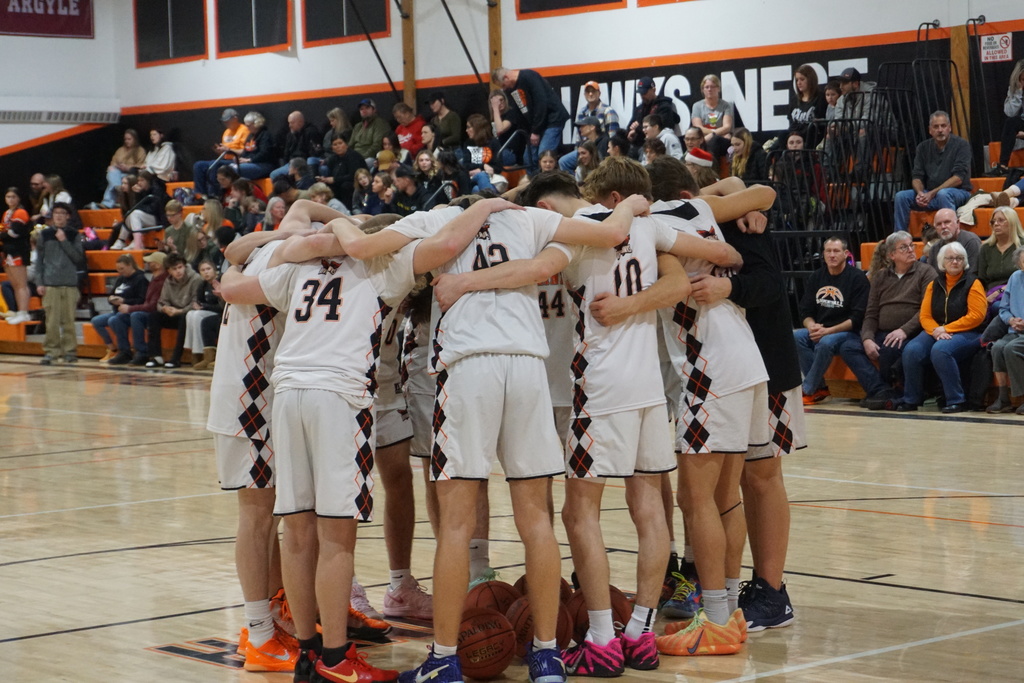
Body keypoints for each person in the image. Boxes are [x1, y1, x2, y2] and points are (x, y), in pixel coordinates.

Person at [219, 197, 525, 683]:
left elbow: (231, 288)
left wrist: (284, 242)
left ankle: (307, 655)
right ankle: (338, 660)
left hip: (288, 393)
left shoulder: (301, 265)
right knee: (335, 536)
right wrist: (485, 203)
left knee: (297, 533)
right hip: (339, 399)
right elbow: (447, 241)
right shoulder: (386, 265)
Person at [841, 232, 937, 408]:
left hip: (911, 332)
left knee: (890, 348)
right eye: (904, 247)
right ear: (892, 255)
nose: (910, 250)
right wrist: (867, 338)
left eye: (911, 246)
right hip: (881, 332)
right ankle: (881, 390)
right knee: (848, 347)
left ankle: (888, 392)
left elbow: (926, 310)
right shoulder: (880, 276)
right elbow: (870, 313)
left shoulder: (926, 272)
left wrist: (903, 331)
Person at [893, 242, 986, 413]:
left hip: (969, 332)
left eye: (959, 258)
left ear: (964, 261)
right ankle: (911, 399)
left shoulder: (974, 283)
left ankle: (957, 400)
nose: (955, 262)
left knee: (941, 350)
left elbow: (976, 317)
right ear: (942, 262)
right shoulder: (934, 284)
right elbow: (925, 316)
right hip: (937, 330)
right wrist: (936, 331)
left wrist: (947, 329)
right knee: (912, 349)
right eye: (950, 258)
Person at [793, 236, 870, 404]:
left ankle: (807, 388)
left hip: (849, 332)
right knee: (797, 337)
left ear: (846, 254)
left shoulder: (857, 278)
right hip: (822, 329)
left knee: (826, 342)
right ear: (823, 254)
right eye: (828, 251)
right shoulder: (817, 276)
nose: (832, 255)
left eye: (836, 251)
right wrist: (812, 326)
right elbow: (805, 310)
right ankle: (819, 387)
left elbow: (857, 318)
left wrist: (827, 331)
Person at [893, 111, 972, 232]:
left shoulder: (962, 145)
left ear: (949, 128)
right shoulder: (922, 147)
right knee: (901, 196)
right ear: (930, 130)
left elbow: (958, 178)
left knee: (944, 194)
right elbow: (916, 176)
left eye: (943, 126)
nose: (940, 130)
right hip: (931, 194)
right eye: (936, 127)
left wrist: (932, 193)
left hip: (958, 192)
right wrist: (920, 193)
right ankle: (900, 237)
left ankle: (951, 235)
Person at [493, 66, 570, 174]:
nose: (504, 88)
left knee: (544, 156)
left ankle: (548, 184)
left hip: (552, 119)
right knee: (528, 158)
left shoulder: (529, 76)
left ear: (506, 77)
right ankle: (535, 184)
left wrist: (535, 131)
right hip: (536, 125)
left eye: (503, 85)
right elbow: (522, 112)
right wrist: (530, 133)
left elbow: (541, 103)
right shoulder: (512, 89)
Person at [36, 203, 85, 365]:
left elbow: (78, 258)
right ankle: (51, 352)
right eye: (56, 213)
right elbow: (39, 262)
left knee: (69, 321)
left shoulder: (73, 234)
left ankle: (70, 352)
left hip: (69, 283)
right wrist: (39, 282)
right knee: (51, 321)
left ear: (68, 216)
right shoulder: (44, 234)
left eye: (62, 213)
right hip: (50, 283)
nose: (58, 216)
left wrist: (64, 241)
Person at [109, 251, 169, 366]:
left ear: (158, 264)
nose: (147, 264)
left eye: (150, 262)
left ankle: (142, 352)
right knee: (117, 318)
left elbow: (152, 306)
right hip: (146, 310)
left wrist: (130, 308)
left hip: (155, 314)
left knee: (136, 315)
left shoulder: (162, 281)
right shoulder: (154, 278)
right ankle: (125, 352)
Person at [145, 253, 202, 368]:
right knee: (154, 316)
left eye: (180, 267)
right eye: (174, 269)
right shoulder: (168, 281)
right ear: (169, 271)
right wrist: (165, 308)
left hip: (186, 314)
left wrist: (180, 311)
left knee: (184, 318)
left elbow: (196, 303)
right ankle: (156, 357)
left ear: (185, 266)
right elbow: (161, 301)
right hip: (173, 313)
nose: (178, 271)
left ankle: (176, 358)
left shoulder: (196, 279)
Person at [90, 254, 149, 362]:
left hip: (131, 312)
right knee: (96, 320)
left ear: (130, 265)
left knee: (115, 320)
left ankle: (126, 351)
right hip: (117, 311)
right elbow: (112, 295)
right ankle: (113, 348)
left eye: (122, 269)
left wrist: (125, 301)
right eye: (118, 269)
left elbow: (143, 300)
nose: (120, 271)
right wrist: (111, 299)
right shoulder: (120, 279)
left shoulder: (141, 279)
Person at [986, 247, 1024, 413]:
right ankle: (1003, 398)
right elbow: (1003, 308)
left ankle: (1021, 397)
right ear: (1019, 264)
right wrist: (1010, 320)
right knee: (997, 347)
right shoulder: (1015, 278)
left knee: (1011, 348)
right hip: (1014, 329)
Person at [560, 81, 619, 172]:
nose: (590, 94)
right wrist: (579, 155)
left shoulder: (608, 111)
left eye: (593, 91)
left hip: (601, 148)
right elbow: (578, 138)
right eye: (588, 92)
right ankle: (575, 184)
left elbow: (613, 137)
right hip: (585, 148)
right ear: (584, 94)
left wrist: (609, 151)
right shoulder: (582, 112)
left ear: (599, 93)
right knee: (563, 162)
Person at [193, 108, 250, 199]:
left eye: (228, 121)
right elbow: (225, 150)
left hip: (237, 159)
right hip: (224, 158)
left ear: (235, 118)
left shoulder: (244, 130)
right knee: (199, 165)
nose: (226, 123)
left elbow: (245, 151)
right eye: (224, 121)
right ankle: (201, 194)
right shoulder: (226, 132)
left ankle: (215, 193)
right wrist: (220, 151)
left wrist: (228, 149)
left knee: (215, 164)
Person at [978, 207, 1024, 300]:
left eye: (1001, 220)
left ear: (1012, 223)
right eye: (993, 221)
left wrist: (1000, 292)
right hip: (991, 295)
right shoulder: (986, 248)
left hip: (1018, 292)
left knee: (998, 306)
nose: (996, 224)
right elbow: (981, 279)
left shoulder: (1022, 245)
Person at [183, 259, 222, 369]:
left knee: (196, 315)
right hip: (208, 312)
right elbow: (199, 301)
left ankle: (200, 352)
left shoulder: (220, 281)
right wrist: (198, 306)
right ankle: (196, 353)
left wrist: (204, 307)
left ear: (214, 270)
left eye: (208, 269)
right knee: (190, 314)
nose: (206, 272)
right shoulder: (203, 285)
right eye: (203, 270)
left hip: (219, 312)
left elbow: (222, 306)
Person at [1, 187, 32, 323]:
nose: (11, 199)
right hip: (7, 251)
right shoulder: (6, 213)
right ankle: (19, 311)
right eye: (8, 197)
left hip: (18, 251)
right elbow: (5, 232)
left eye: (13, 197)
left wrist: (3, 235)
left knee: (21, 284)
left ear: (19, 198)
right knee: (14, 284)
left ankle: (24, 312)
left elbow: (14, 233)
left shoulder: (21, 212)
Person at [626, 77, 681, 153]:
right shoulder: (639, 109)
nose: (642, 96)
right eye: (641, 93)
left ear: (653, 90)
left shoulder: (664, 106)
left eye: (645, 93)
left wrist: (637, 129)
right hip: (639, 144)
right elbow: (630, 126)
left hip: (658, 144)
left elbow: (661, 126)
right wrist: (631, 132)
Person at [98, 129, 146, 209]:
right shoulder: (120, 150)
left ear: (134, 139)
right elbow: (113, 162)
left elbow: (141, 165)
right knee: (112, 172)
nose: (127, 141)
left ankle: (107, 202)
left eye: (129, 139)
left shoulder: (140, 150)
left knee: (114, 180)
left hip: (131, 174)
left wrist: (128, 168)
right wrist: (113, 167)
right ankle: (118, 188)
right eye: (125, 139)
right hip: (118, 173)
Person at [317, 131, 365, 211]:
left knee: (345, 186)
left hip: (355, 184)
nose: (338, 146)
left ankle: (347, 211)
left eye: (340, 143)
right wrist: (325, 179)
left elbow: (353, 175)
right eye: (335, 144)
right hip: (339, 183)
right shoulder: (333, 159)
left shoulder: (353, 156)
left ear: (346, 144)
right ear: (332, 147)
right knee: (326, 187)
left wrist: (334, 180)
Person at [926, 208, 981, 277]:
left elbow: (972, 274)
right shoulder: (934, 249)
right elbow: (932, 276)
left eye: (947, 222)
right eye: (939, 224)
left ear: (958, 223)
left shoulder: (971, 241)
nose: (943, 227)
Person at [691, 75, 735, 159]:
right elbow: (698, 128)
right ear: (702, 89)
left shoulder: (725, 105)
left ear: (718, 88)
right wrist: (713, 134)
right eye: (706, 87)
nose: (709, 89)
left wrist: (713, 135)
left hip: (721, 139)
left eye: (712, 87)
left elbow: (727, 127)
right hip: (704, 138)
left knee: (715, 141)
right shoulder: (697, 106)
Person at [993, 59, 1024, 174]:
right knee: (1011, 122)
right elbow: (1009, 113)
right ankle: (1003, 166)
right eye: (1022, 80)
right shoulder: (1014, 90)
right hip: (1020, 125)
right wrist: (1018, 93)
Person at [270, 111, 320, 181]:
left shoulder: (311, 132)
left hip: (304, 163)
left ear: (300, 122)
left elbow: (314, 153)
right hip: (292, 163)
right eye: (289, 123)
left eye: (292, 123)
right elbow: (286, 154)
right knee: (274, 174)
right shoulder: (290, 135)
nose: (290, 125)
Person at [235, 112, 276, 181]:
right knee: (227, 168)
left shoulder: (265, 135)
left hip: (265, 164)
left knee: (236, 169)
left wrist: (249, 160)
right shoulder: (250, 136)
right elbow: (246, 151)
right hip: (252, 163)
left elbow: (264, 153)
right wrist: (241, 159)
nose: (247, 128)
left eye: (248, 126)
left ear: (256, 124)